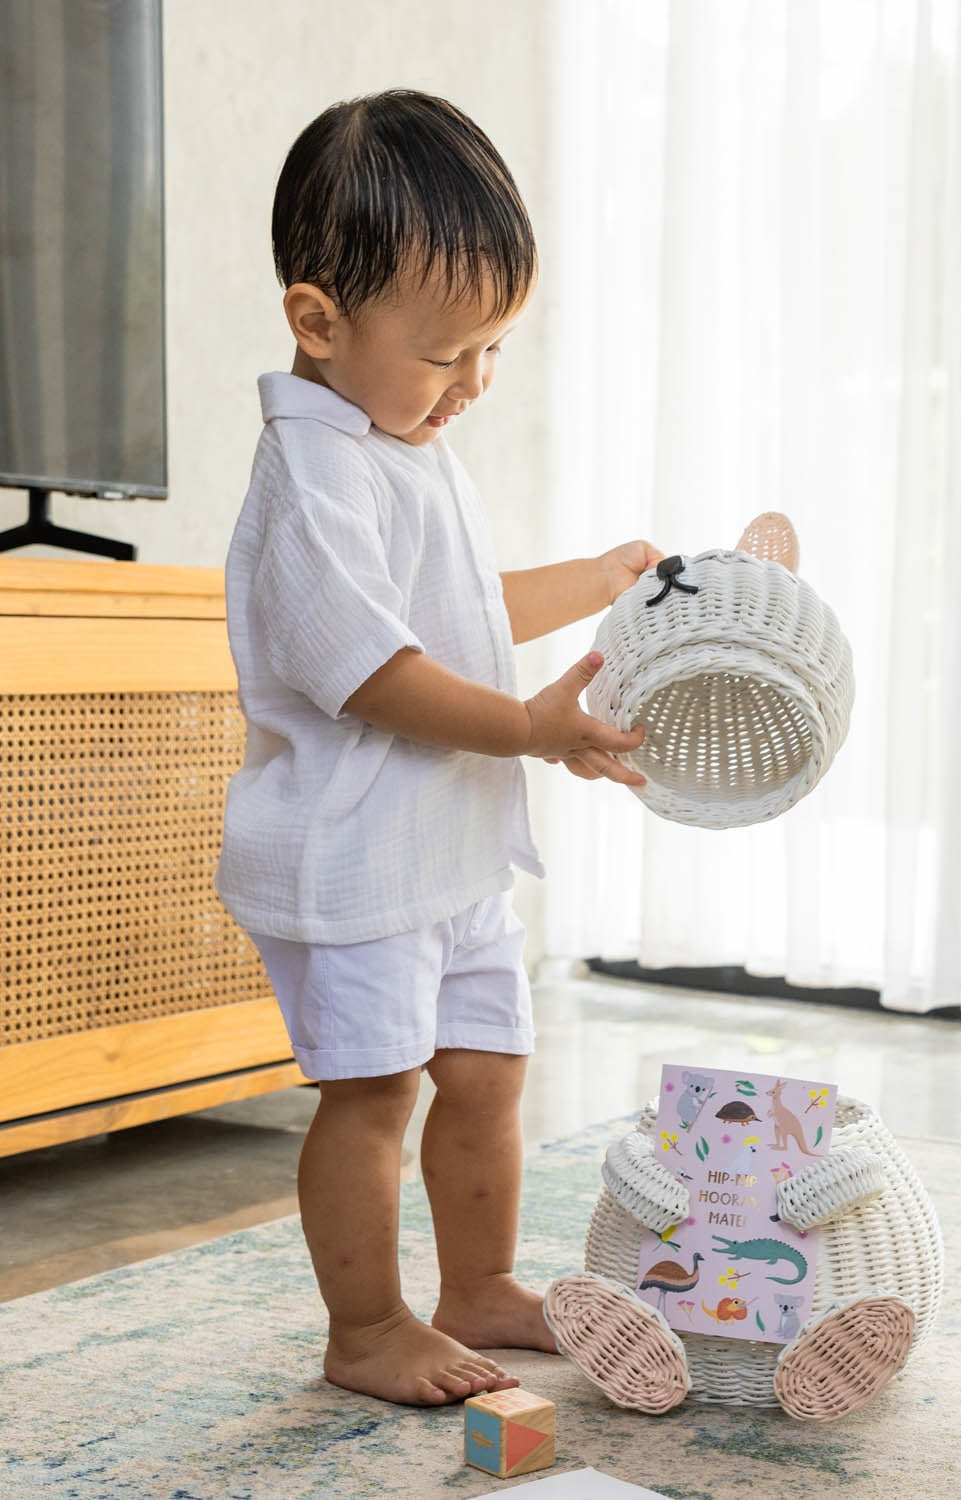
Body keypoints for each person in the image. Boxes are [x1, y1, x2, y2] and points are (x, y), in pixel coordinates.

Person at [214, 89, 661, 1407]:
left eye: (496, 353)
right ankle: (364, 1331)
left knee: (486, 1077)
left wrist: (599, 577)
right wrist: (528, 727)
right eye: (450, 351)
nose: (472, 384)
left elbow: (451, 615)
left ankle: (478, 1287)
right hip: (355, 866)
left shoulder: (401, 438)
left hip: (450, 854)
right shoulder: (313, 474)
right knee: (373, 1098)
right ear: (318, 321)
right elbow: (375, 669)